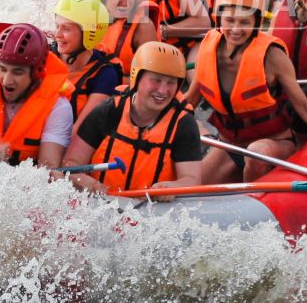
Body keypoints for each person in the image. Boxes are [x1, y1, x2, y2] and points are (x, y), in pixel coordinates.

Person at [191, 0, 307, 183]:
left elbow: (302, 104)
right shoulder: (208, 48)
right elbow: (191, 99)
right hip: (231, 144)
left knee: (255, 153)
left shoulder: (273, 56)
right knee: (194, 185)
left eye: (244, 22)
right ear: (218, 19)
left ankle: (250, 194)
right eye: (229, 20)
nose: (236, 29)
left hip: (272, 144)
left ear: (256, 22)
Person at [63, 41, 208, 197]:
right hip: (102, 204)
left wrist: (172, 187)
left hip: (152, 210)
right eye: (156, 80)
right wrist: (89, 184)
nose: (163, 90)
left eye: (171, 82)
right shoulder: (110, 110)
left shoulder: (183, 124)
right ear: (137, 78)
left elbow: (191, 180)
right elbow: (71, 165)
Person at [0, 23, 72, 169]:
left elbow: (48, 167)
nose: (7, 80)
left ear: (36, 73)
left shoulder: (58, 107)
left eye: (18, 72)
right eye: (3, 69)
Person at [53, 0, 122, 140]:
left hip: (68, 141)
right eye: (57, 26)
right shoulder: (44, 56)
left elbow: (82, 130)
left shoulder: (105, 74)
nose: (57, 34)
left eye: (66, 29)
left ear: (89, 33)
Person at [91, 0, 159, 72]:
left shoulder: (144, 28)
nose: (126, 2)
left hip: (124, 87)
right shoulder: (84, 16)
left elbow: (152, 75)